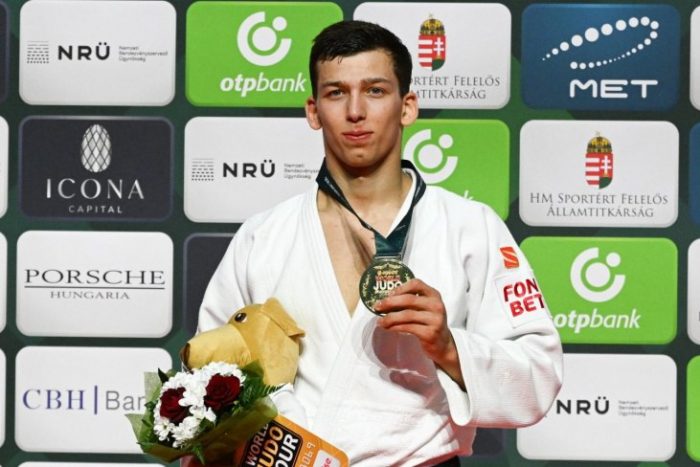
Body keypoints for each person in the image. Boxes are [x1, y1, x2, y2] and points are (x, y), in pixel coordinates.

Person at [197, 20, 563, 466]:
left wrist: (449, 347)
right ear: (313, 111)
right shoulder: (263, 236)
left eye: (375, 91)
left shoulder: (470, 227)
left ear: (407, 107)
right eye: (336, 93)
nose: (355, 111)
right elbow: (209, 372)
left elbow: (539, 374)